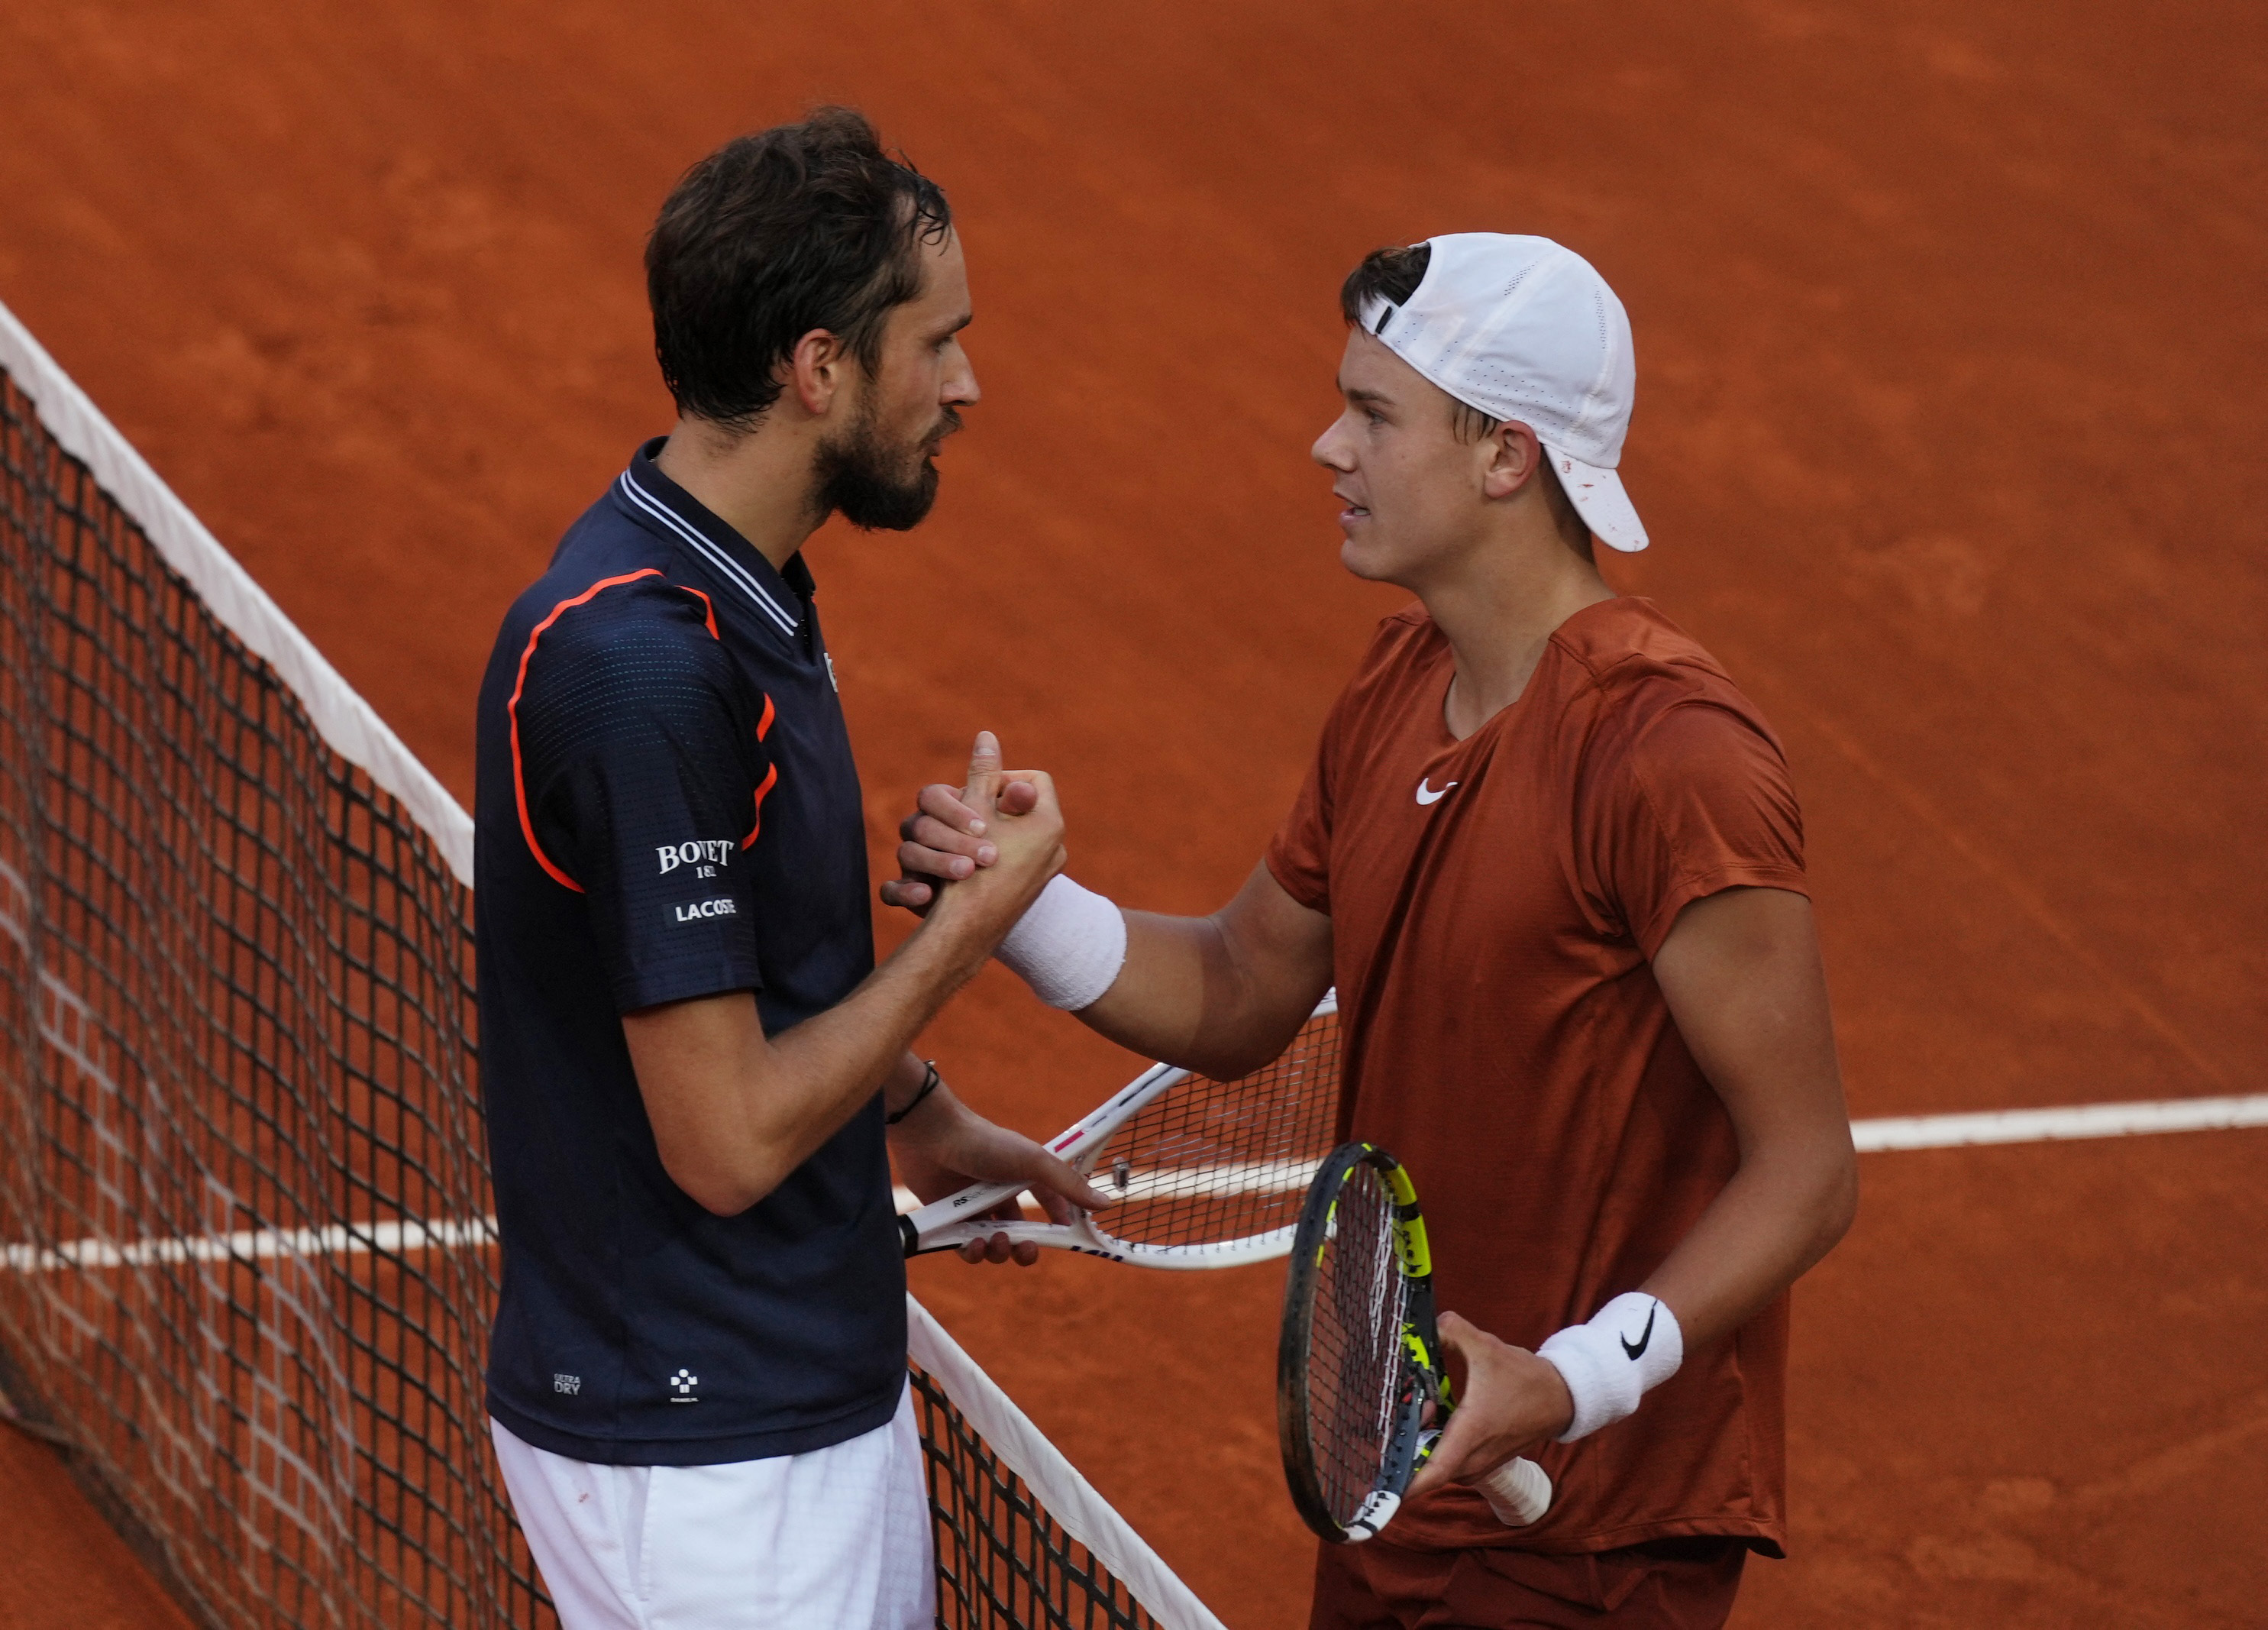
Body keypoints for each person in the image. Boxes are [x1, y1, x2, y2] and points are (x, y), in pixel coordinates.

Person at [887, 234, 1859, 1628]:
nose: (1324, 444)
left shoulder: (1670, 755)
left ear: (1505, 457)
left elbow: (1808, 1167)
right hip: (1396, 1460)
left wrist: (1572, 1377)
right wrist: (1021, 908)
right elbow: (1239, 987)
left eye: (1375, 414)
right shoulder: (1401, 678)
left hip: (1581, 1526)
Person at [470, 108, 1103, 1630]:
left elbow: (737, 967)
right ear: (818, 368)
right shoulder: (646, 671)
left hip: (799, 1392)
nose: (965, 385)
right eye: (934, 342)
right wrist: (969, 933)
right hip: (704, 1464)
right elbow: (729, 1138)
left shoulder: (733, 591)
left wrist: (926, 1116)